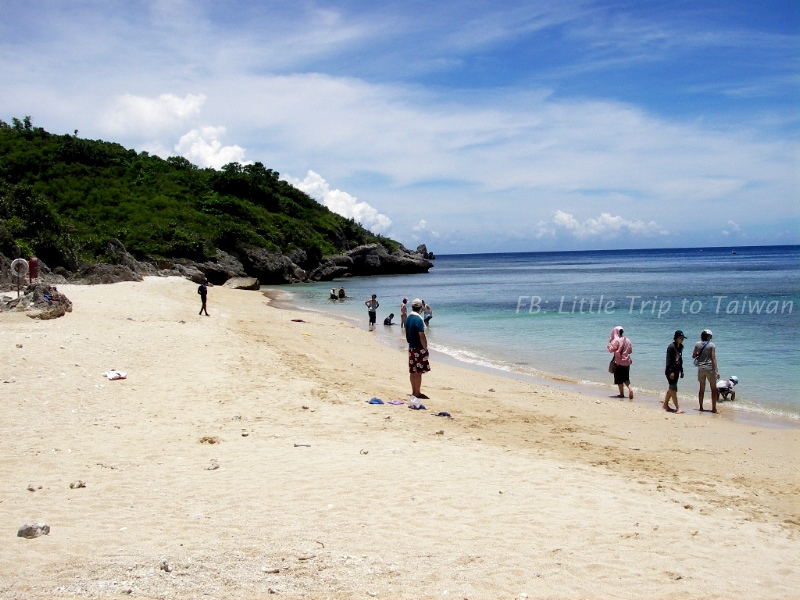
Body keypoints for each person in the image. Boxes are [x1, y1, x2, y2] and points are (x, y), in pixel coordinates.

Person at [406, 298, 430, 399]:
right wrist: (425, 348)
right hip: (418, 348)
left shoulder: (408, 318)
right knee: (418, 372)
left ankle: (414, 391)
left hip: (411, 347)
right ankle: (417, 392)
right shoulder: (418, 319)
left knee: (412, 371)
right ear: (420, 307)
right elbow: (421, 336)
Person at [693, 329, 719, 413]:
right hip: (709, 368)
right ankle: (714, 408)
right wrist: (716, 371)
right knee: (713, 389)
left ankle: (701, 407)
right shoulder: (711, 345)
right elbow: (713, 358)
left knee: (701, 389)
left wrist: (699, 354)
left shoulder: (697, 344)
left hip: (700, 368)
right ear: (708, 336)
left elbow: (693, 355)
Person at [662, 330, 686, 413]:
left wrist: (681, 370)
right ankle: (678, 408)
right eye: (680, 338)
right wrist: (671, 371)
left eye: (683, 338)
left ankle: (665, 405)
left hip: (677, 371)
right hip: (670, 371)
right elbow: (668, 360)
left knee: (671, 389)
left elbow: (680, 359)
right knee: (674, 389)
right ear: (676, 338)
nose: (682, 339)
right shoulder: (671, 347)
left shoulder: (680, 347)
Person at [607, 326, 633, 399]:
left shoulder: (617, 341)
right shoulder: (628, 340)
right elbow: (630, 351)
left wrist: (609, 343)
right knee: (626, 378)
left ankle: (621, 394)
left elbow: (611, 350)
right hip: (627, 362)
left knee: (618, 378)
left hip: (619, 362)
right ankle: (630, 389)